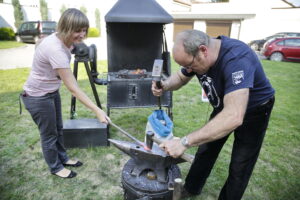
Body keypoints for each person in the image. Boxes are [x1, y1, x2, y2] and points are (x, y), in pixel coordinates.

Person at [152, 30, 275, 199]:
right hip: (224, 104)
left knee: (240, 164)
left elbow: (233, 116)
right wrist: (164, 85)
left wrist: (184, 142)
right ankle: (191, 188)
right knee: (205, 150)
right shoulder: (197, 57)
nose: (189, 69)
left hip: (255, 110)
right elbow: (181, 78)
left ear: (203, 50)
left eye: (190, 65)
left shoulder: (236, 58)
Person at [21, 8, 108, 179]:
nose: (82, 35)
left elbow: (42, 43)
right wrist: (97, 110)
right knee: (49, 134)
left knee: (58, 129)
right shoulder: (56, 51)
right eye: (77, 30)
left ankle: (63, 158)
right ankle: (55, 167)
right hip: (37, 97)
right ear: (65, 28)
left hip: (51, 92)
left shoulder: (60, 39)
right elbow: (73, 88)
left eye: (84, 30)